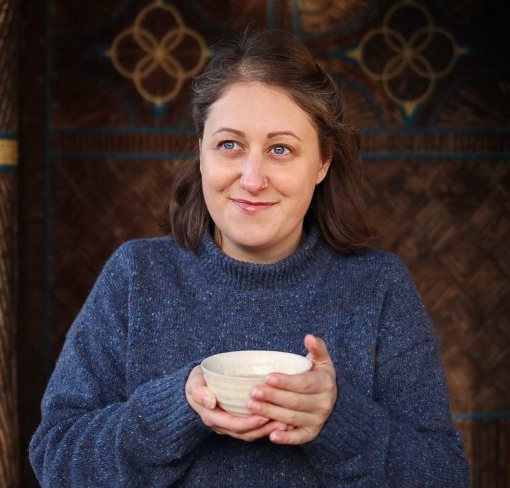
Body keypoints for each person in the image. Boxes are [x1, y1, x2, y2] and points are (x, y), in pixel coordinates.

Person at [29, 28, 470, 487]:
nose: (252, 178)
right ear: (201, 152)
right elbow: (56, 460)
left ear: (322, 163)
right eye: (229, 145)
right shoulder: (136, 276)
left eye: (281, 149)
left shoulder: (378, 287)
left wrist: (337, 420)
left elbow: (444, 476)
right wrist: (176, 407)